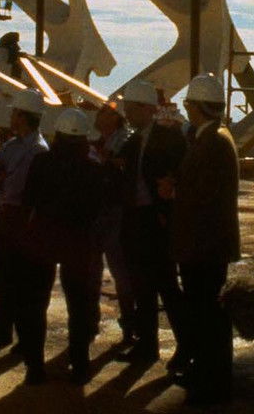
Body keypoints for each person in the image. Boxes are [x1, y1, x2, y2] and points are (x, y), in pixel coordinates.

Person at [17, 108, 107, 385]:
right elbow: (98, 208)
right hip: (77, 242)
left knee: (35, 303)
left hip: (42, 238)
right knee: (79, 306)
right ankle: (79, 366)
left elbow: (27, 201)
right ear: (83, 140)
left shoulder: (41, 163)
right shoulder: (93, 169)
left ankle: (34, 367)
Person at [169, 74, 241, 406]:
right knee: (205, 313)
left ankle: (213, 382)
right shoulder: (214, 136)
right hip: (206, 242)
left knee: (208, 314)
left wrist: (173, 190)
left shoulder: (212, 141)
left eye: (187, 105)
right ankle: (207, 373)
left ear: (196, 106)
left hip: (204, 244)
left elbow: (204, 193)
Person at [116, 79, 188, 366]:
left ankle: (186, 347)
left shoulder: (170, 138)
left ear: (146, 109)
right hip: (136, 221)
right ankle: (147, 347)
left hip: (156, 223)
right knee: (141, 287)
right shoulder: (133, 142)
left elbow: (182, 174)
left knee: (167, 287)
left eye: (130, 108)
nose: (126, 113)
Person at [0, 88, 48, 351]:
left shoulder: (38, 150)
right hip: (5, 215)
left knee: (21, 280)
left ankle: (22, 336)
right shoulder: (12, 145)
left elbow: (22, 186)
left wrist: (2, 176)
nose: (11, 118)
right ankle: (2, 330)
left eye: (15, 113)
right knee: (1, 276)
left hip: (22, 218)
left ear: (24, 116)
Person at [90, 99, 137, 346]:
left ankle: (130, 325)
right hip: (101, 211)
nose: (97, 116)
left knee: (122, 272)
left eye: (103, 112)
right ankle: (94, 321)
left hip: (116, 214)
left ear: (115, 118)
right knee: (98, 270)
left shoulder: (124, 141)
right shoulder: (103, 142)